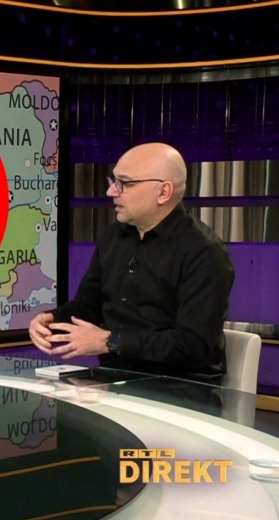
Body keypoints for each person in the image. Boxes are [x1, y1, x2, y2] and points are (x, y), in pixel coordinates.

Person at [29, 142, 235, 382]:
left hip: (181, 387)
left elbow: (192, 345)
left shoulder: (204, 252)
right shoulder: (115, 236)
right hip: (115, 379)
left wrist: (110, 342)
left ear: (163, 192)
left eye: (124, 183)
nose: (111, 192)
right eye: (113, 181)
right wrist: (52, 320)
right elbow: (89, 306)